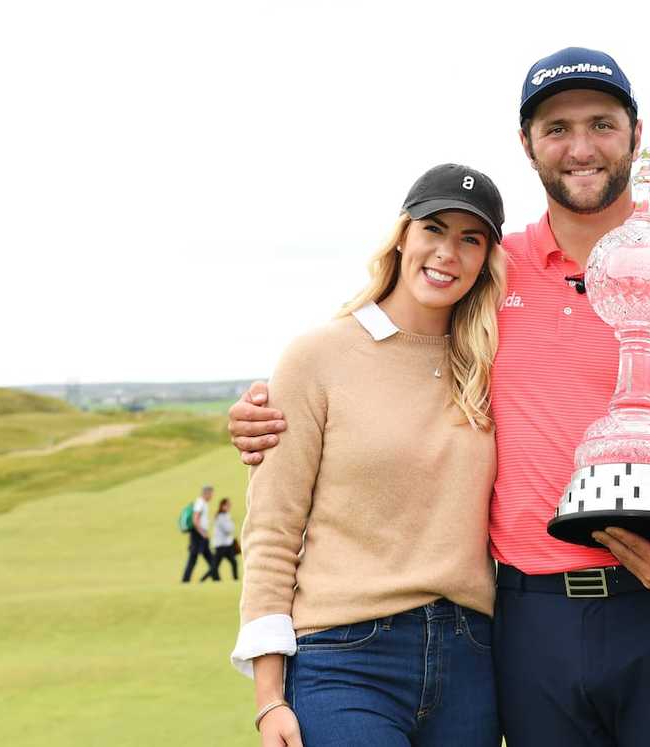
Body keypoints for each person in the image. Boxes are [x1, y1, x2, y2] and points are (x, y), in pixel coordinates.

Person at [229, 47, 650, 747]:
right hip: (531, 625)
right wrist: (271, 408)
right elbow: (384, 355)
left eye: (601, 124)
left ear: (636, 134)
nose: (580, 147)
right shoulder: (488, 274)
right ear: (526, 143)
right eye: (557, 128)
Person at [230, 163, 507, 747]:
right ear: (403, 235)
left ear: (487, 259)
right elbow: (273, 530)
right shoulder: (317, 357)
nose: (447, 253)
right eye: (433, 229)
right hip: (345, 659)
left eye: (470, 239)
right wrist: (269, 700)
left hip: (472, 660)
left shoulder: (493, 364)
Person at [181, 485, 218, 583]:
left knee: (210, 557)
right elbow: (195, 519)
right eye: (211, 494)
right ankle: (185, 580)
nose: (212, 496)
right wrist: (203, 533)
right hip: (198, 534)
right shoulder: (200, 503)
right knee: (193, 558)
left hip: (201, 534)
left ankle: (216, 578)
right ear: (206, 493)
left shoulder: (203, 503)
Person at [202, 497, 238, 582]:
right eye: (227, 505)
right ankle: (203, 579)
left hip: (227, 544)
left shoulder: (226, 515)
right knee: (215, 565)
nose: (229, 507)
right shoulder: (220, 516)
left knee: (234, 562)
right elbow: (228, 529)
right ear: (222, 506)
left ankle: (236, 579)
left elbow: (230, 528)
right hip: (221, 545)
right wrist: (231, 525)